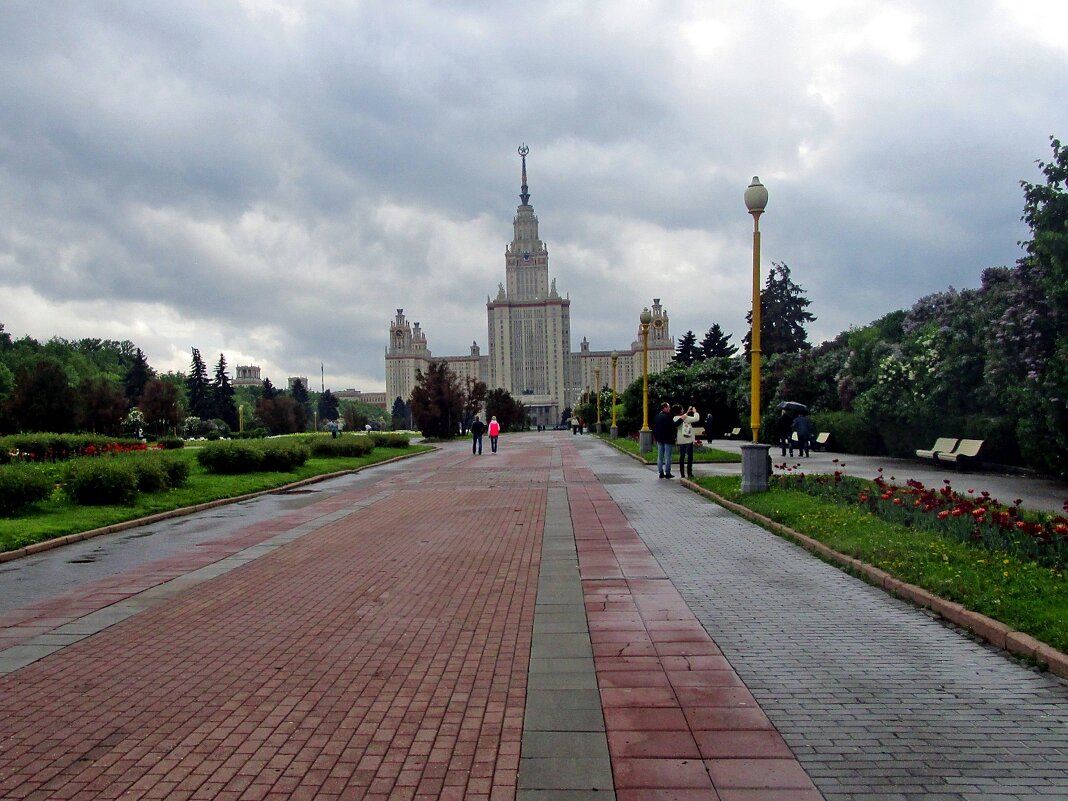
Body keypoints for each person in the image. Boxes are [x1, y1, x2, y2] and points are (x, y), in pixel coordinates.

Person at [652, 401, 679, 478]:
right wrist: (681, 419)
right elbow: (673, 426)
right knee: (668, 456)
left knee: (660, 456)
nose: (669, 408)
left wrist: (656, 437)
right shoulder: (667, 417)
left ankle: (660, 472)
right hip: (668, 440)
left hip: (659, 440)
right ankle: (667, 473)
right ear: (665, 408)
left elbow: (654, 428)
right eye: (668, 407)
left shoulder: (657, 416)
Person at [674, 404, 700, 478]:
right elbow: (696, 418)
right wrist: (695, 412)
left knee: (682, 457)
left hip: (681, 440)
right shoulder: (686, 418)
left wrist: (687, 412)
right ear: (680, 411)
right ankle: (689, 473)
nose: (683, 410)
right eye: (682, 409)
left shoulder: (674, 418)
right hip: (688, 440)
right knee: (689, 457)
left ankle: (682, 473)